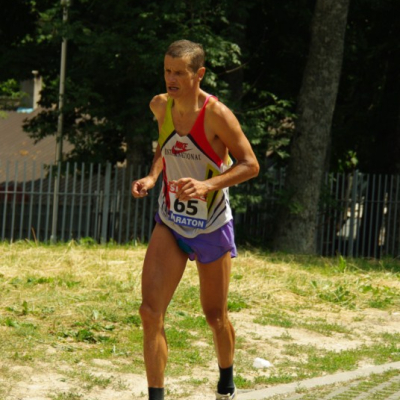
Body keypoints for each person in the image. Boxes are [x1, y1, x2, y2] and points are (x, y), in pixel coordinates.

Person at [131, 39, 259, 400]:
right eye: (166, 71)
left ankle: (226, 380)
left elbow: (250, 165)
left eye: (179, 73)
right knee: (150, 312)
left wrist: (207, 185)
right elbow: (165, 145)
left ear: (198, 74)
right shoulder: (160, 105)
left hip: (212, 225)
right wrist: (153, 177)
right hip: (170, 222)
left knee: (215, 316)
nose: (170, 79)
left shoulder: (217, 115)